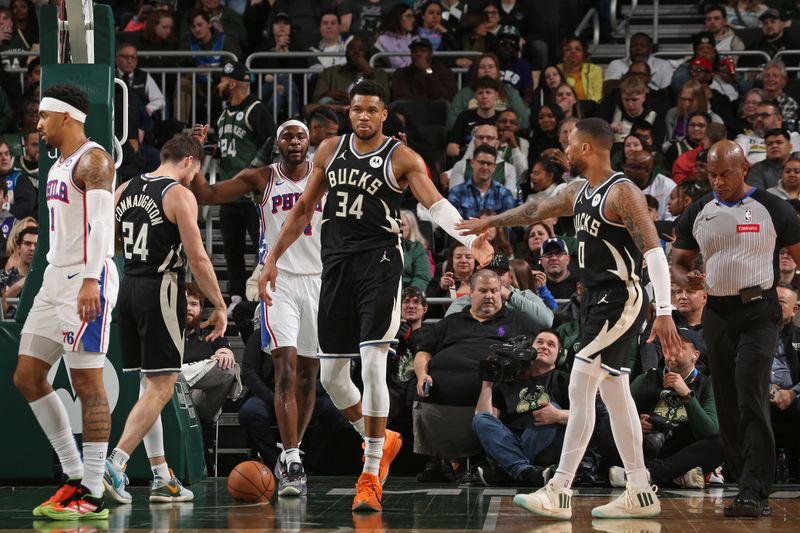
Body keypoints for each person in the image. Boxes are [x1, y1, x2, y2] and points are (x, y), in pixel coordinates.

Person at [260, 80, 493, 512]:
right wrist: (273, 257)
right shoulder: (329, 149)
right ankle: (380, 439)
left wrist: (470, 236)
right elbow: (304, 209)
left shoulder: (401, 156)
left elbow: (434, 203)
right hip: (335, 267)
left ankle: (369, 475)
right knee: (331, 378)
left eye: (371, 110)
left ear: (385, 114)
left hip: (380, 266)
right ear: (349, 112)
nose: (363, 116)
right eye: (356, 109)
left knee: (370, 363)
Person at [459, 117, 680, 520]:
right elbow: (536, 208)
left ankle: (559, 488)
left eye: (571, 142)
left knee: (580, 385)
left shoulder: (623, 193)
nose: (565, 148)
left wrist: (663, 310)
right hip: (594, 300)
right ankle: (639, 489)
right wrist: (490, 222)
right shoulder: (579, 190)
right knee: (615, 394)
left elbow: (653, 252)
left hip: (620, 299)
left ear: (587, 149)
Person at [189, 119, 322, 497]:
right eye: (287, 136)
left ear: (309, 142)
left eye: (300, 136)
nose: (294, 141)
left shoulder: (324, 176)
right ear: (276, 142)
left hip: (318, 279)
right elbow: (208, 194)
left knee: (309, 376)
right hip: (276, 281)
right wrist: (198, 155)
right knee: (285, 367)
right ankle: (293, 457)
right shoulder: (261, 178)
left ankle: (289, 452)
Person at [671, 140, 800, 518]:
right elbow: (677, 261)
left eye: (724, 173)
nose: (717, 181)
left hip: (759, 312)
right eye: (711, 175)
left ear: (744, 167)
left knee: (750, 393)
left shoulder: (774, 207)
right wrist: (686, 279)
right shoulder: (699, 210)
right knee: (727, 402)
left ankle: (756, 489)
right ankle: (744, 481)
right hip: (717, 313)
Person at [13, 85, 118, 520]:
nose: (38, 125)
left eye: (43, 117)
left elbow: (100, 227)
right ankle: (74, 475)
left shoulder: (94, 160)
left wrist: (91, 279)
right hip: (54, 278)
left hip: (85, 278)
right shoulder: (55, 165)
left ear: (66, 118)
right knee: (27, 375)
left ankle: (93, 490)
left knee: (87, 386)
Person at [103, 135, 227, 505]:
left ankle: (161, 477)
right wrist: (219, 304)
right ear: (190, 161)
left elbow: (113, 241)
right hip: (161, 288)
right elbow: (199, 258)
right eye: (197, 169)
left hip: (129, 285)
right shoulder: (177, 195)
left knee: (149, 387)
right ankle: (115, 464)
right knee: (161, 386)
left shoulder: (124, 188)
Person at [413, 269, 540, 482]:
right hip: (440, 389)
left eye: (494, 290)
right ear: (471, 293)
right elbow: (424, 351)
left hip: (493, 391)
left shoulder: (518, 321)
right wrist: (421, 375)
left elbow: (533, 354)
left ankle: (481, 460)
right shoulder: (451, 322)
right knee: (413, 389)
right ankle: (437, 460)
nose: (489, 295)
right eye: (483, 290)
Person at [609, 328, 723, 489]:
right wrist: (635, 423)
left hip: (684, 452)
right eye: (668, 346)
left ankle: (647, 475)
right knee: (607, 428)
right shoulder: (645, 380)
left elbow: (709, 430)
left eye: (680, 346)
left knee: (722, 441)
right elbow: (620, 417)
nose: (672, 351)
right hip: (648, 447)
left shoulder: (706, 385)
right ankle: (678, 476)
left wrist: (686, 394)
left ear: (695, 355)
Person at [214, 61, 276, 312]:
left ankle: (266, 291)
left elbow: (271, 141)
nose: (218, 86)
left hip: (252, 194)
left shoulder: (256, 109)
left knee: (262, 245)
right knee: (232, 248)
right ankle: (237, 296)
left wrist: (253, 172)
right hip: (229, 191)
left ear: (232, 83)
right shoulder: (224, 114)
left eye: (221, 81)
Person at [473, 329, 569, 486]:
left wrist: (557, 415)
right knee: (480, 418)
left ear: (559, 354)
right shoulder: (509, 381)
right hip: (511, 441)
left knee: (552, 407)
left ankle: (508, 470)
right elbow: (487, 419)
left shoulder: (564, 380)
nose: (544, 346)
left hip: (547, 443)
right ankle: (525, 472)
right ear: (529, 349)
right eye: (540, 342)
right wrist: (487, 383)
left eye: (551, 344)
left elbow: (588, 415)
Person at [444, 253, 553, 329]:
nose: (494, 279)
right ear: (478, 276)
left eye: (500, 274)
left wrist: (510, 296)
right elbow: (447, 326)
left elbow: (547, 322)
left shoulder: (525, 296)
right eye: (489, 273)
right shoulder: (467, 299)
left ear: (510, 277)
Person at [181, 282, 237, 428]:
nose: (188, 308)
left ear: (200, 309)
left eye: (194, 304)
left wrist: (224, 354)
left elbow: (225, 351)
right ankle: (176, 376)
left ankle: (176, 375)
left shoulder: (212, 335)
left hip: (199, 402)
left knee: (228, 368)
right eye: (184, 303)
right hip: (168, 399)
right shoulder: (163, 336)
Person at [391, 36, 457, 102]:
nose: (418, 54)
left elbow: (444, 98)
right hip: (410, 110)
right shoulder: (401, 73)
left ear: (430, 53)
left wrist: (427, 70)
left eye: (423, 51)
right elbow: (400, 98)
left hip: (436, 110)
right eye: (414, 51)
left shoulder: (444, 72)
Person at [603, 32, 674, 91]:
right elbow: (607, 88)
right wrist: (629, 78)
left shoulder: (663, 65)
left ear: (650, 48)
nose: (638, 48)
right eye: (634, 46)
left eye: (643, 46)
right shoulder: (616, 64)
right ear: (629, 48)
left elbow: (666, 92)